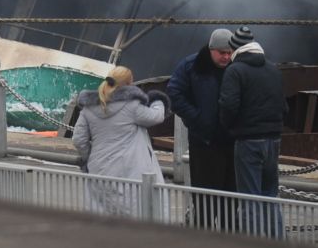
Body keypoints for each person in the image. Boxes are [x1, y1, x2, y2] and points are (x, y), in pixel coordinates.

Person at [71, 65, 166, 217]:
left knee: (102, 213)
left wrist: (89, 156)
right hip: (130, 169)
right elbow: (157, 116)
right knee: (133, 212)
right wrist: (158, 101)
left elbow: (78, 139)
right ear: (129, 84)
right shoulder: (132, 106)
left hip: (98, 167)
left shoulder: (88, 108)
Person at [217, 27, 285, 236]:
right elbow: (284, 107)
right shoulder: (273, 69)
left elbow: (228, 105)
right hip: (273, 140)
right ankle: (277, 245)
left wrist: (227, 127)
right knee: (270, 196)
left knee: (250, 198)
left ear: (235, 48)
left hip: (248, 141)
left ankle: (254, 247)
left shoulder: (235, 71)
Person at [167, 28, 236, 228]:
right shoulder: (192, 66)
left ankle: (228, 236)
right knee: (205, 197)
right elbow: (175, 93)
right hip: (203, 142)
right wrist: (196, 118)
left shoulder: (236, 66)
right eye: (222, 52)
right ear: (211, 49)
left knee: (230, 197)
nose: (226, 57)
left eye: (229, 52)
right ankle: (204, 236)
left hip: (231, 141)